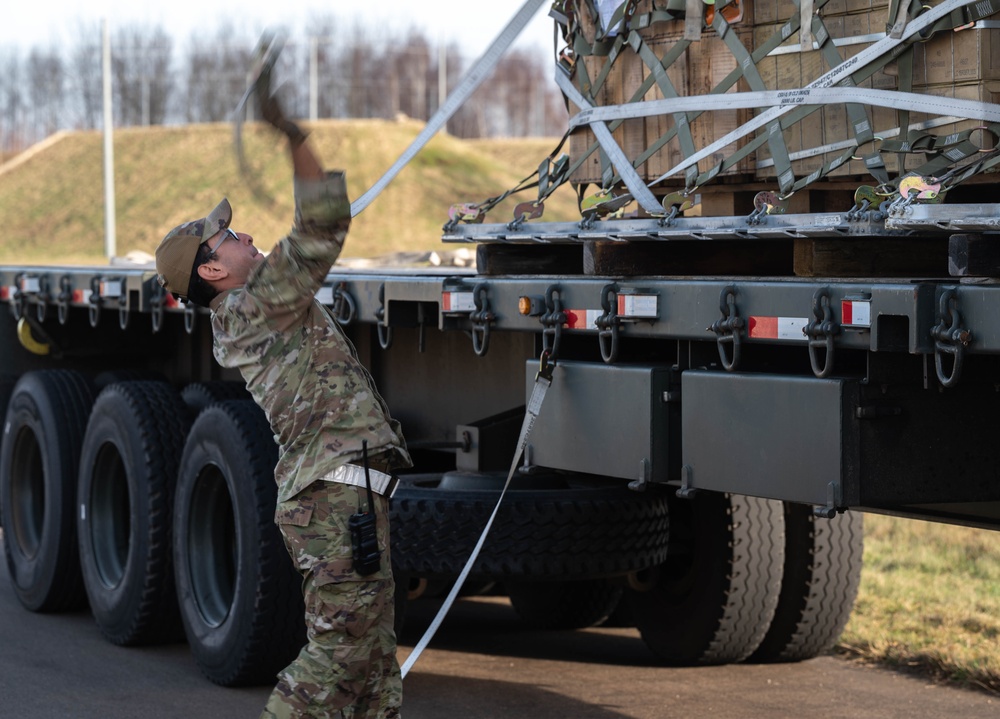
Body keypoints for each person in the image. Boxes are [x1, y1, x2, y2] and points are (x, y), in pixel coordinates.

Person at [154, 76, 410, 719]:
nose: (244, 238)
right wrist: (292, 133)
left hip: (337, 491)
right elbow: (324, 221)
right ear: (212, 271)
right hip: (332, 496)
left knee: (374, 668)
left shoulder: (249, 308)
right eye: (229, 238)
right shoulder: (254, 303)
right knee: (339, 655)